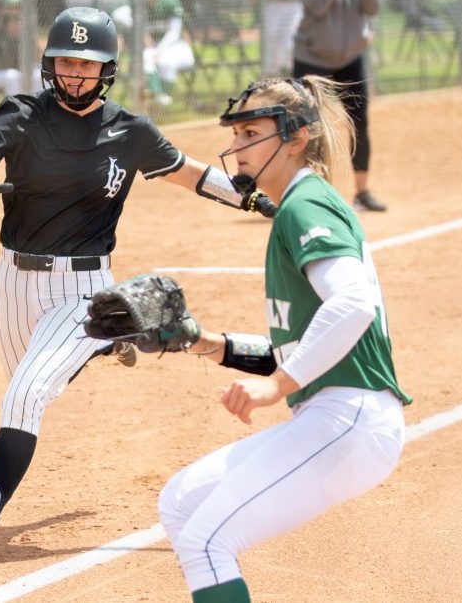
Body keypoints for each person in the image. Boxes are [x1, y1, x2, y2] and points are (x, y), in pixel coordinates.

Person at [0, 6, 276, 564]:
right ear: (49, 64)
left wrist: (255, 197)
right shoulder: (21, 115)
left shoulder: (128, 130)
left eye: (86, 65)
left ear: (107, 70)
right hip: (15, 280)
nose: (74, 74)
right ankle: (113, 337)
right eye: (65, 62)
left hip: (83, 286)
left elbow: (190, 172)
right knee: (32, 383)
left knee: (25, 395)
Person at [155, 76, 412, 602]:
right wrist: (204, 341)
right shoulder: (299, 205)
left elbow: (353, 303)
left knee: (207, 541)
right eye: (237, 133)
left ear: (295, 139)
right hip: (335, 416)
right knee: (181, 501)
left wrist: (278, 386)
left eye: (252, 133)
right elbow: (298, 346)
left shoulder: (304, 207)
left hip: (351, 418)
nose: (238, 148)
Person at [293, 0, 387, 212]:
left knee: (360, 122)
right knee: (307, 127)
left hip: (349, 58)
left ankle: (362, 192)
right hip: (312, 58)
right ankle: (311, 196)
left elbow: (372, 8)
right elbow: (317, 6)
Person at [112, 0, 195, 107]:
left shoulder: (170, 2)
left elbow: (175, 33)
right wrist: (141, 33)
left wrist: (159, 50)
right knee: (146, 58)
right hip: (153, 49)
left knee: (165, 61)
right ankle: (160, 96)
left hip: (175, 47)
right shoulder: (138, 4)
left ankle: (163, 98)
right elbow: (118, 15)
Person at [260, 0, 304, 77]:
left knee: (289, 44)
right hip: (271, 6)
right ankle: (271, 81)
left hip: (293, 5)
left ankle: (292, 77)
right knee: (271, 43)